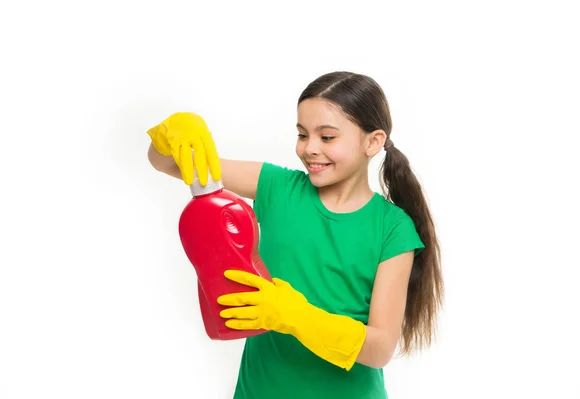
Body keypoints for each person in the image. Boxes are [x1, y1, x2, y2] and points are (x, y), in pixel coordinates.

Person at [146, 71, 444, 399]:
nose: (309, 149)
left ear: (372, 142)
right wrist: (171, 133)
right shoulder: (277, 187)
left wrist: (294, 315)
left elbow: (379, 349)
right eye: (302, 135)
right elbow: (170, 164)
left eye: (327, 137)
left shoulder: (392, 227)